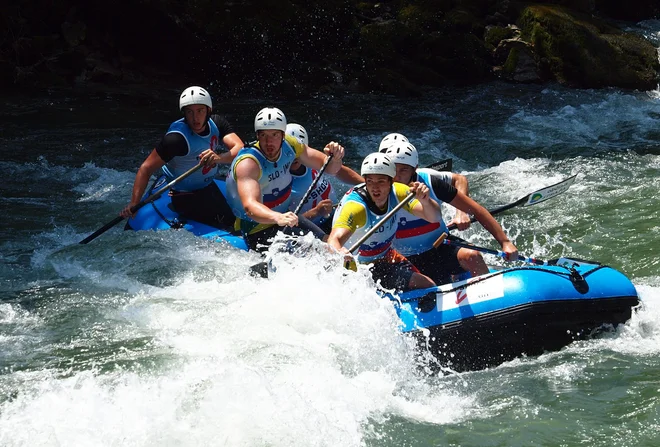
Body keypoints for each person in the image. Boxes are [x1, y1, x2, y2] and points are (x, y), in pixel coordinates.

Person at [384, 141, 518, 285]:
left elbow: (476, 210)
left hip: (438, 246)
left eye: (403, 170)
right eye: (394, 170)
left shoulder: (431, 182)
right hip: (404, 258)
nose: (396, 176)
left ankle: (489, 297)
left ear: (414, 169)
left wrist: (505, 242)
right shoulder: (379, 191)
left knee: (473, 256)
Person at [224, 108, 345, 252]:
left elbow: (330, 168)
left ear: (282, 135)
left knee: (330, 245)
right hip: (258, 229)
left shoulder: (291, 145)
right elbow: (250, 207)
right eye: (263, 135)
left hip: (289, 218)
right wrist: (277, 217)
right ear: (257, 136)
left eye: (274, 135)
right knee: (318, 251)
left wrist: (336, 157)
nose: (269, 142)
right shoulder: (249, 163)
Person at [121, 86, 243, 228]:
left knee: (235, 215)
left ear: (208, 110)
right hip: (183, 194)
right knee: (227, 223)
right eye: (189, 112)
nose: (195, 118)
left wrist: (218, 158)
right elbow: (146, 168)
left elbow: (240, 149)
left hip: (208, 185)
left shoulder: (217, 123)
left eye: (200, 111)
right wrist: (134, 203)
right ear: (184, 113)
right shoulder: (176, 139)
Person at [327, 152, 443, 292]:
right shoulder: (356, 208)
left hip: (386, 256)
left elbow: (434, 217)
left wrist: (426, 201)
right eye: (370, 181)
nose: (375, 187)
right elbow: (334, 240)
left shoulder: (398, 192)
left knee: (428, 284)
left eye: (381, 181)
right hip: (360, 268)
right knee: (426, 285)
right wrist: (340, 252)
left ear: (391, 181)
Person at [286, 123, 363, 234]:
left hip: (336, 218)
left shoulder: (312, 161)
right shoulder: (281, 181)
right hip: (312, 231)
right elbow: (286, 223)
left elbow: (339, 171)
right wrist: (316, 212)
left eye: (297, 153)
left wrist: (367, 184)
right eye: (290, 153)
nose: (294, 157)